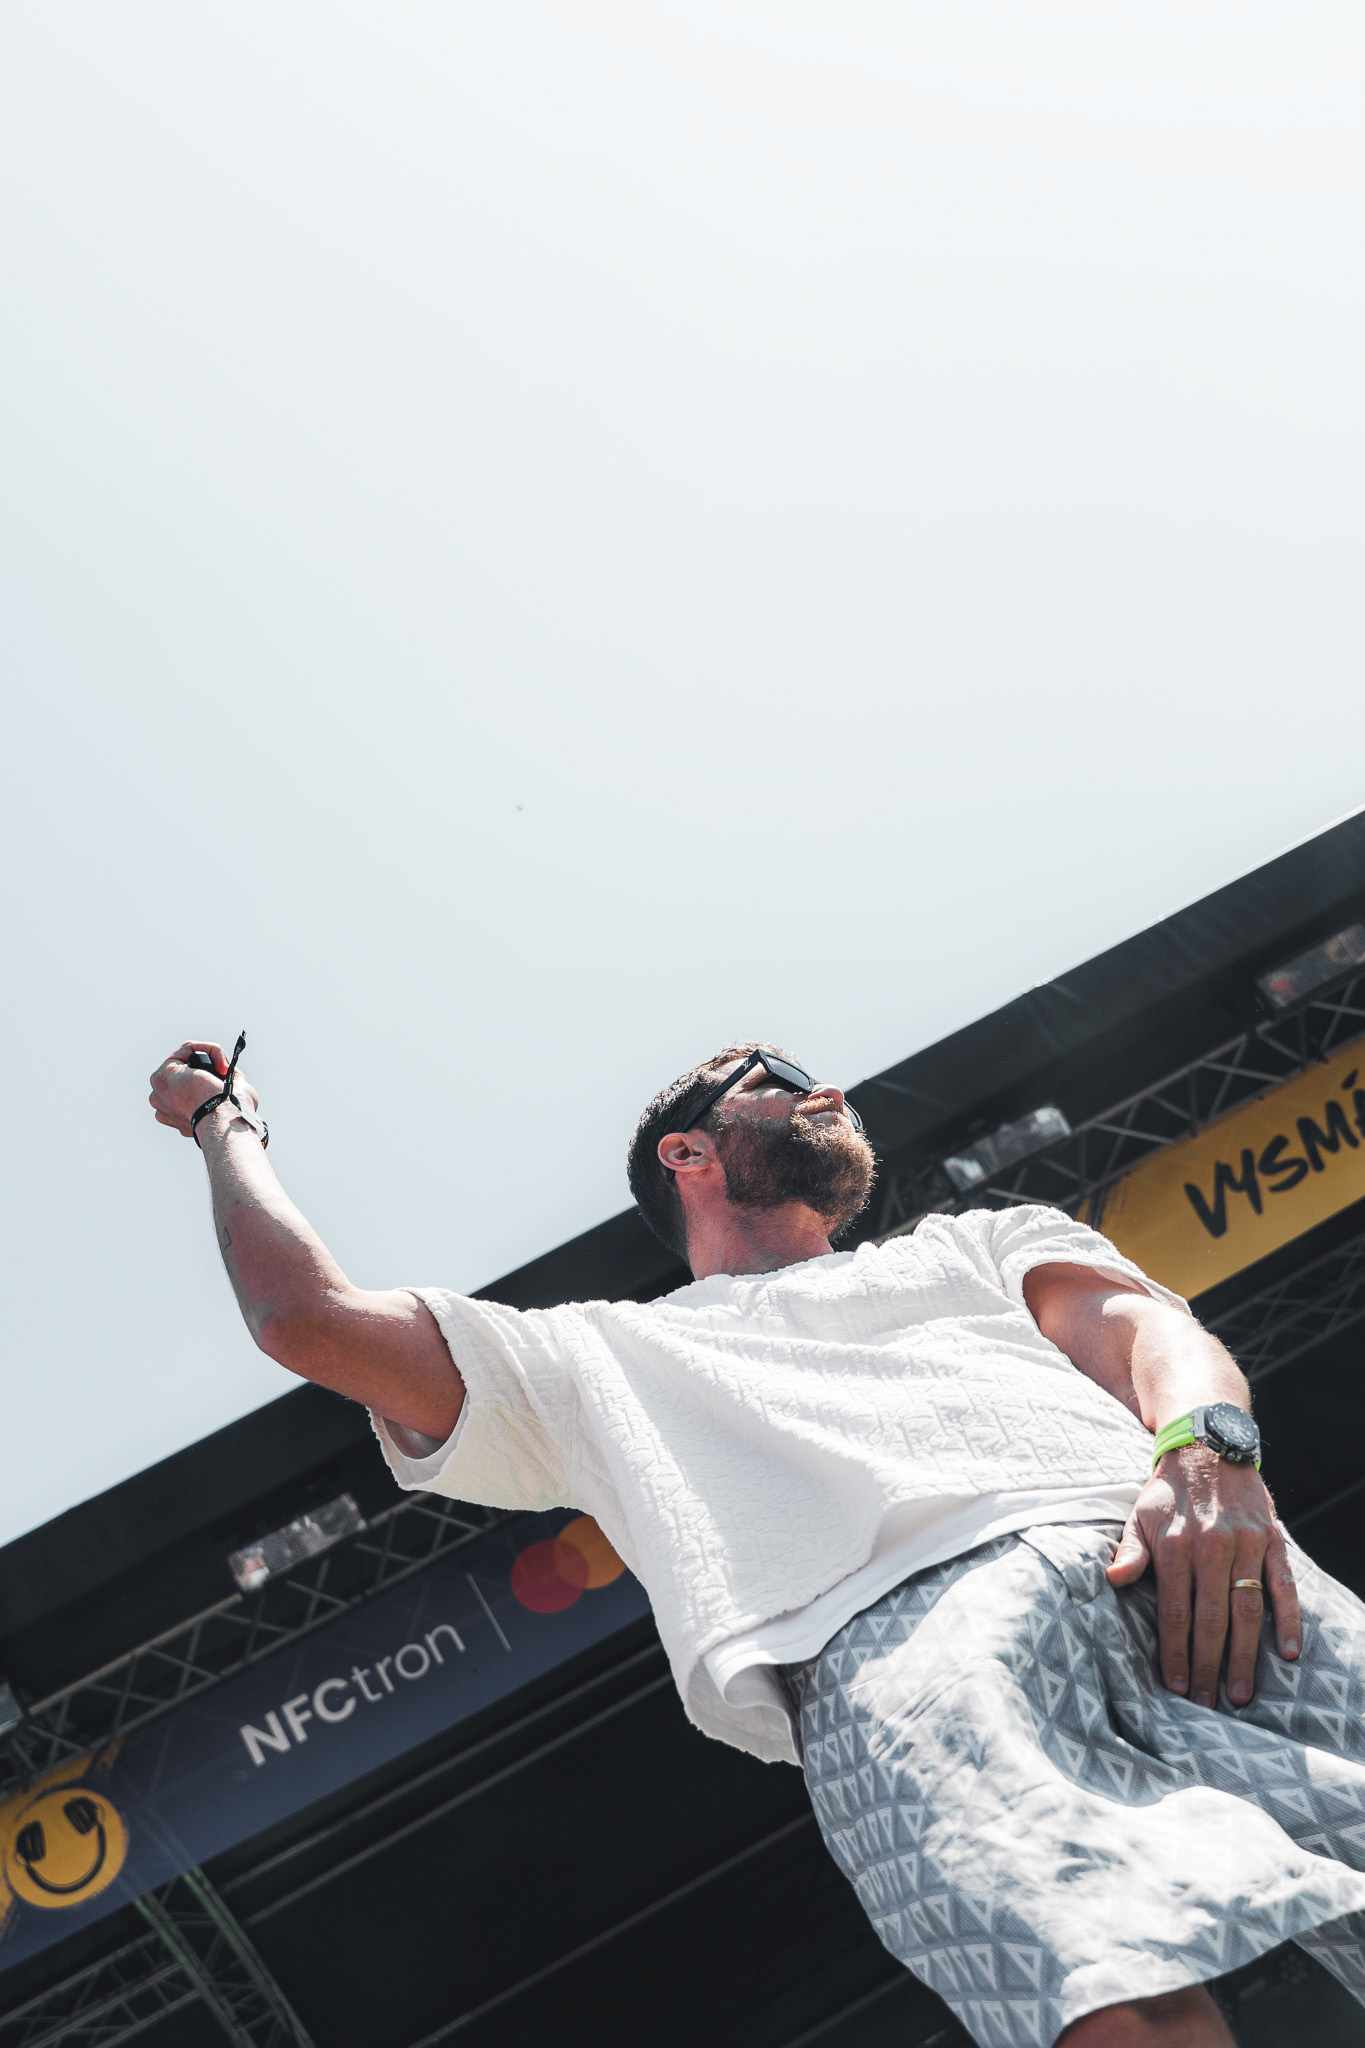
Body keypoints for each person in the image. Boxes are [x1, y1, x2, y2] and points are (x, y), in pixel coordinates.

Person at [149, 1036, 1365, 2048]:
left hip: (1175, 1541)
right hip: (893, 1657)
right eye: (778, 1077)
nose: (827, 1086)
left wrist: (1208, 1449)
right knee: (1107, 1988)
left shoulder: (972, 1243)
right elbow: (306, 1318)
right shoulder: (591, 1356)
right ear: (687, 1150)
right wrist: (222, 1124)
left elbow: (1149, 1334)